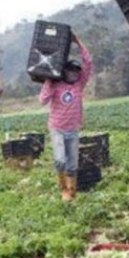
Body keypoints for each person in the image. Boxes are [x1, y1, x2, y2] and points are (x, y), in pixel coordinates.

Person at [39, 33, 92, 201]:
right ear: (65, 72)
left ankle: (72, 193)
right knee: (60, 161)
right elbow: (42, 101)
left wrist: (78, 42)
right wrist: (48, 81)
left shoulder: (79, 84)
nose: (74, 75)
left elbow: (88, 62)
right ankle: (63, 189)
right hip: (57, 129)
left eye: (77, 72)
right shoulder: (55, 85)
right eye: (71, 71)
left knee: (72, 165)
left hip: (73, 129)